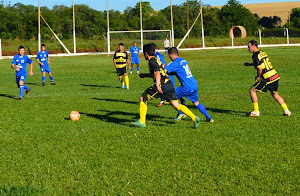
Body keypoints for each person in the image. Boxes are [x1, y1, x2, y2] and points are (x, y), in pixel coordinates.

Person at [131, 43, 200, 128]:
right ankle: (194, 117)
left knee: (142, 98)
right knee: (176, 105)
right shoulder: (156, 60)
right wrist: (145, 75)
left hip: (162, 85)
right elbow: (158, 72)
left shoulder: (151, 61)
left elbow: (157, 73)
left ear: (146, 53)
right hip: (169, 84)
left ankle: (142, 121)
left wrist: (158, 85)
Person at [165, 47, 214, 122]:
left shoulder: (175, 63)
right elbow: (178, 72)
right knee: (196, 102)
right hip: (194, 84)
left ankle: (181, 113)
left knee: (169, 96)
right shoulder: (183, 60)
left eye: (169, 56)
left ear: (172, 54)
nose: (170, 58)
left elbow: (164, 70)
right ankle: (209, 118)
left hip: (186, 87)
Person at [244, 40, 291, 116]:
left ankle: (256, 111)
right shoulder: (263, 52)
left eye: (249, 47)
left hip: (267, 78)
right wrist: (251, 64)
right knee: (275, 94)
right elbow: (262, 62)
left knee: (252, 91)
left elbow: (260, 68)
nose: (248, 48)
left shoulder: (255, 56)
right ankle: (287, 111)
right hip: (275, 76)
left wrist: (258, 77)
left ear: (254, 46)